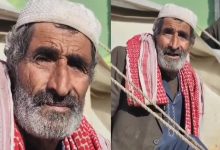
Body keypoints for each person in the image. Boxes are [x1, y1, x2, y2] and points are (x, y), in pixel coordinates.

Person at [0, 0, 110, 149]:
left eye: (77, 66)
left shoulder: (96, 144)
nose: (61, 88)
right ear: (13, 63)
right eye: (44, 59)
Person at [111, 4, 207, 150]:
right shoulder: (126, 58)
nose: (174, 45)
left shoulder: (192, 83)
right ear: (156, 35)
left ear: (191, 44)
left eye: (182, 36)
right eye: (168, 33)